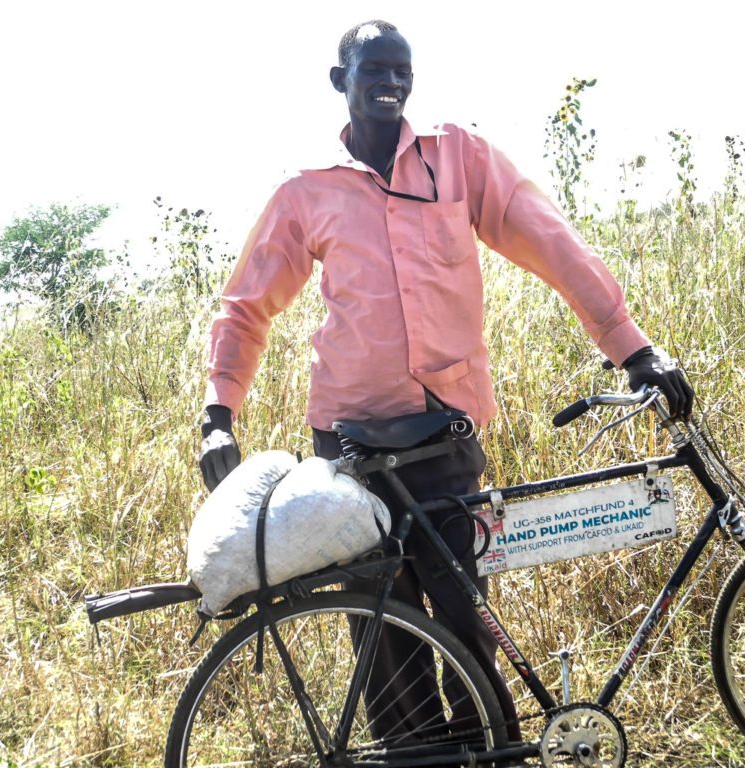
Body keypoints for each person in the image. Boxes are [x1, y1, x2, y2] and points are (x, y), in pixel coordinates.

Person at [199, 19, 693, 744]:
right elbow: (246, 308)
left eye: (402, 70)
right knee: (382, 621)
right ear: (341, 82)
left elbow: (552, 244)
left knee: (465, 610)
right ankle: (413, 756)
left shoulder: (458, 158)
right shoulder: (307, 190)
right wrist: (219, 411)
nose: (390, 84)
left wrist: (632, 347)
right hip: (347, 442)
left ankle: (492, 748)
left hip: (444, 434)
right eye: (374, 71)